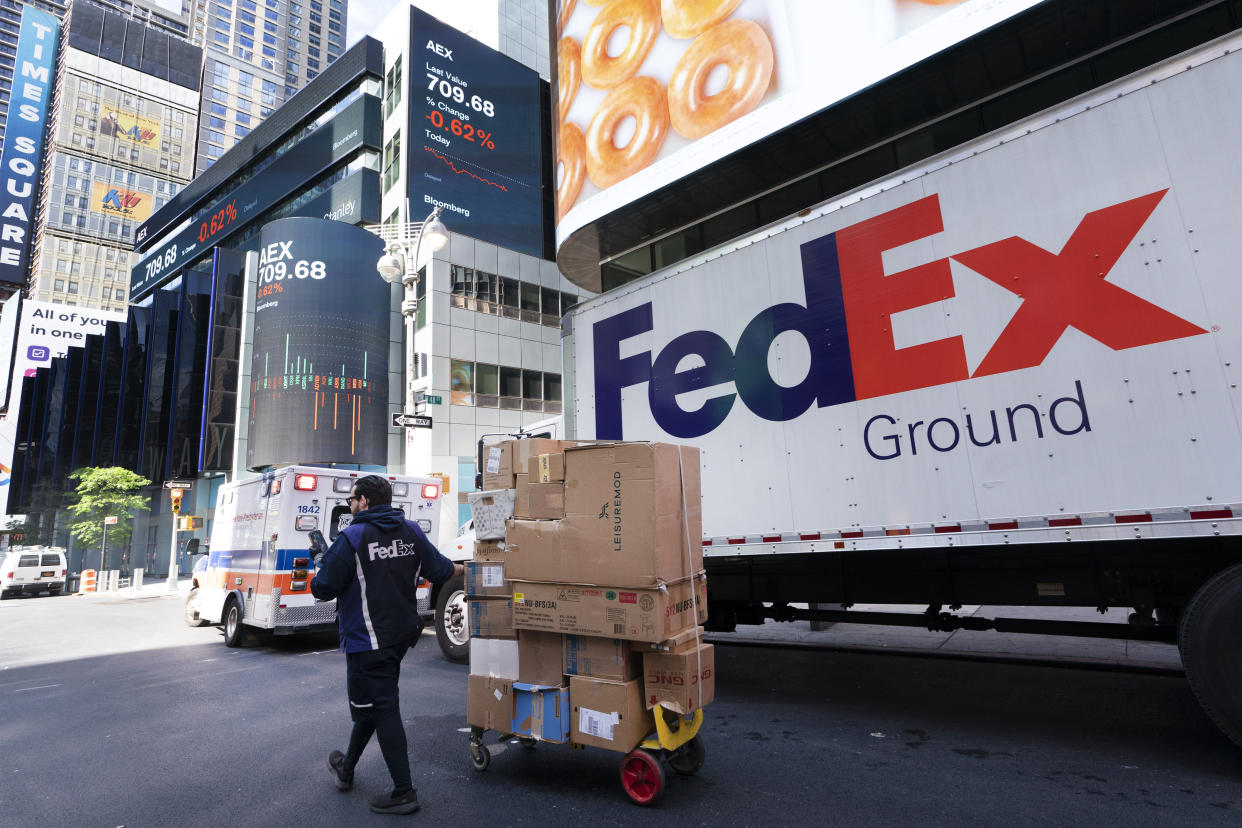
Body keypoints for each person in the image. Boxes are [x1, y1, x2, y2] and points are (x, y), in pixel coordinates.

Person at [310, 474, 463, 815]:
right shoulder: (411, 532)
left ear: (364, 501)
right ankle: (346, 768)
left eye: (352, 499)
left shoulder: (352, 538)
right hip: (399, 638)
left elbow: (322, 588)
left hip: (368, 641)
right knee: (374, 706)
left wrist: (320, 561)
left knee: (383, 708)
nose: (350, 504)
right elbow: (440, 570)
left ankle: (404, 792)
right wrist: (466, 569)